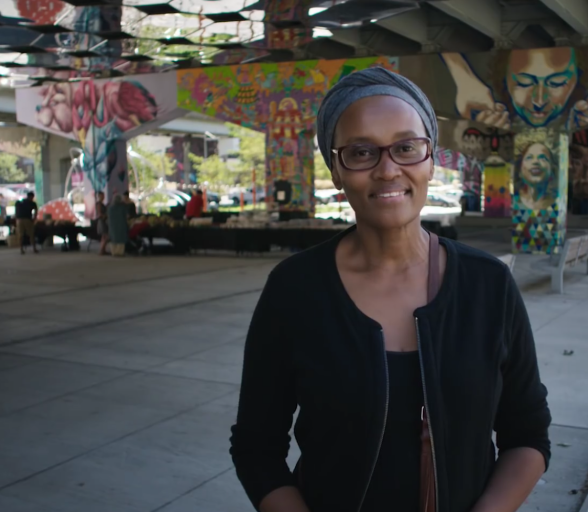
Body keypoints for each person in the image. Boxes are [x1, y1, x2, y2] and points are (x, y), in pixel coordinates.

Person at [230, 68, 551, 512]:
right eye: (361, 152)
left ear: (431, 160)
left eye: (405, 148)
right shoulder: (295, 290)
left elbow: (527, 436)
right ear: (336, 171)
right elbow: (256, 448)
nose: (387, 170)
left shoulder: (488, 285)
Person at [107, 192, 130, 257]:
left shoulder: (110, 208)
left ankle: (114, 252)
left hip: (112, 225)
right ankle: (120, 252)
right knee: (121, 239)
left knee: (113, 239)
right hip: (121, 225)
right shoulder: (123, 207)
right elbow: (127, 216)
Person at [94, 191, 109, 255]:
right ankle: (102, 250)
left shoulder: (101, 204)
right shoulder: (99, 204)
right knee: (105, 236)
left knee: (104, 236)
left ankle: (103, 249)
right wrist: (105, 216)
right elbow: (99, 214)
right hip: (102, 221)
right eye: (102, 195)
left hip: (103, 221)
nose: (103, 197)